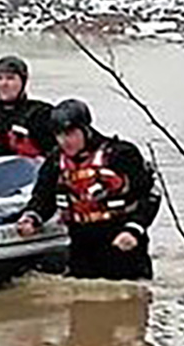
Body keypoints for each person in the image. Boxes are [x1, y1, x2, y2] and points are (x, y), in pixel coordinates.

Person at [16, 98, 158, 280]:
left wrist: (134, 229)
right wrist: (31, 218)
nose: (64, 141)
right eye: (59, 135)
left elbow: (151, 194)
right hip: (81, 245)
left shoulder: (121, 155)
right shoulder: (54, 162)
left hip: (121, 241)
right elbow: (43, 199)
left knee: (128, 299)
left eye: (70, 133)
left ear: (85, 129)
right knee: (81, 301)